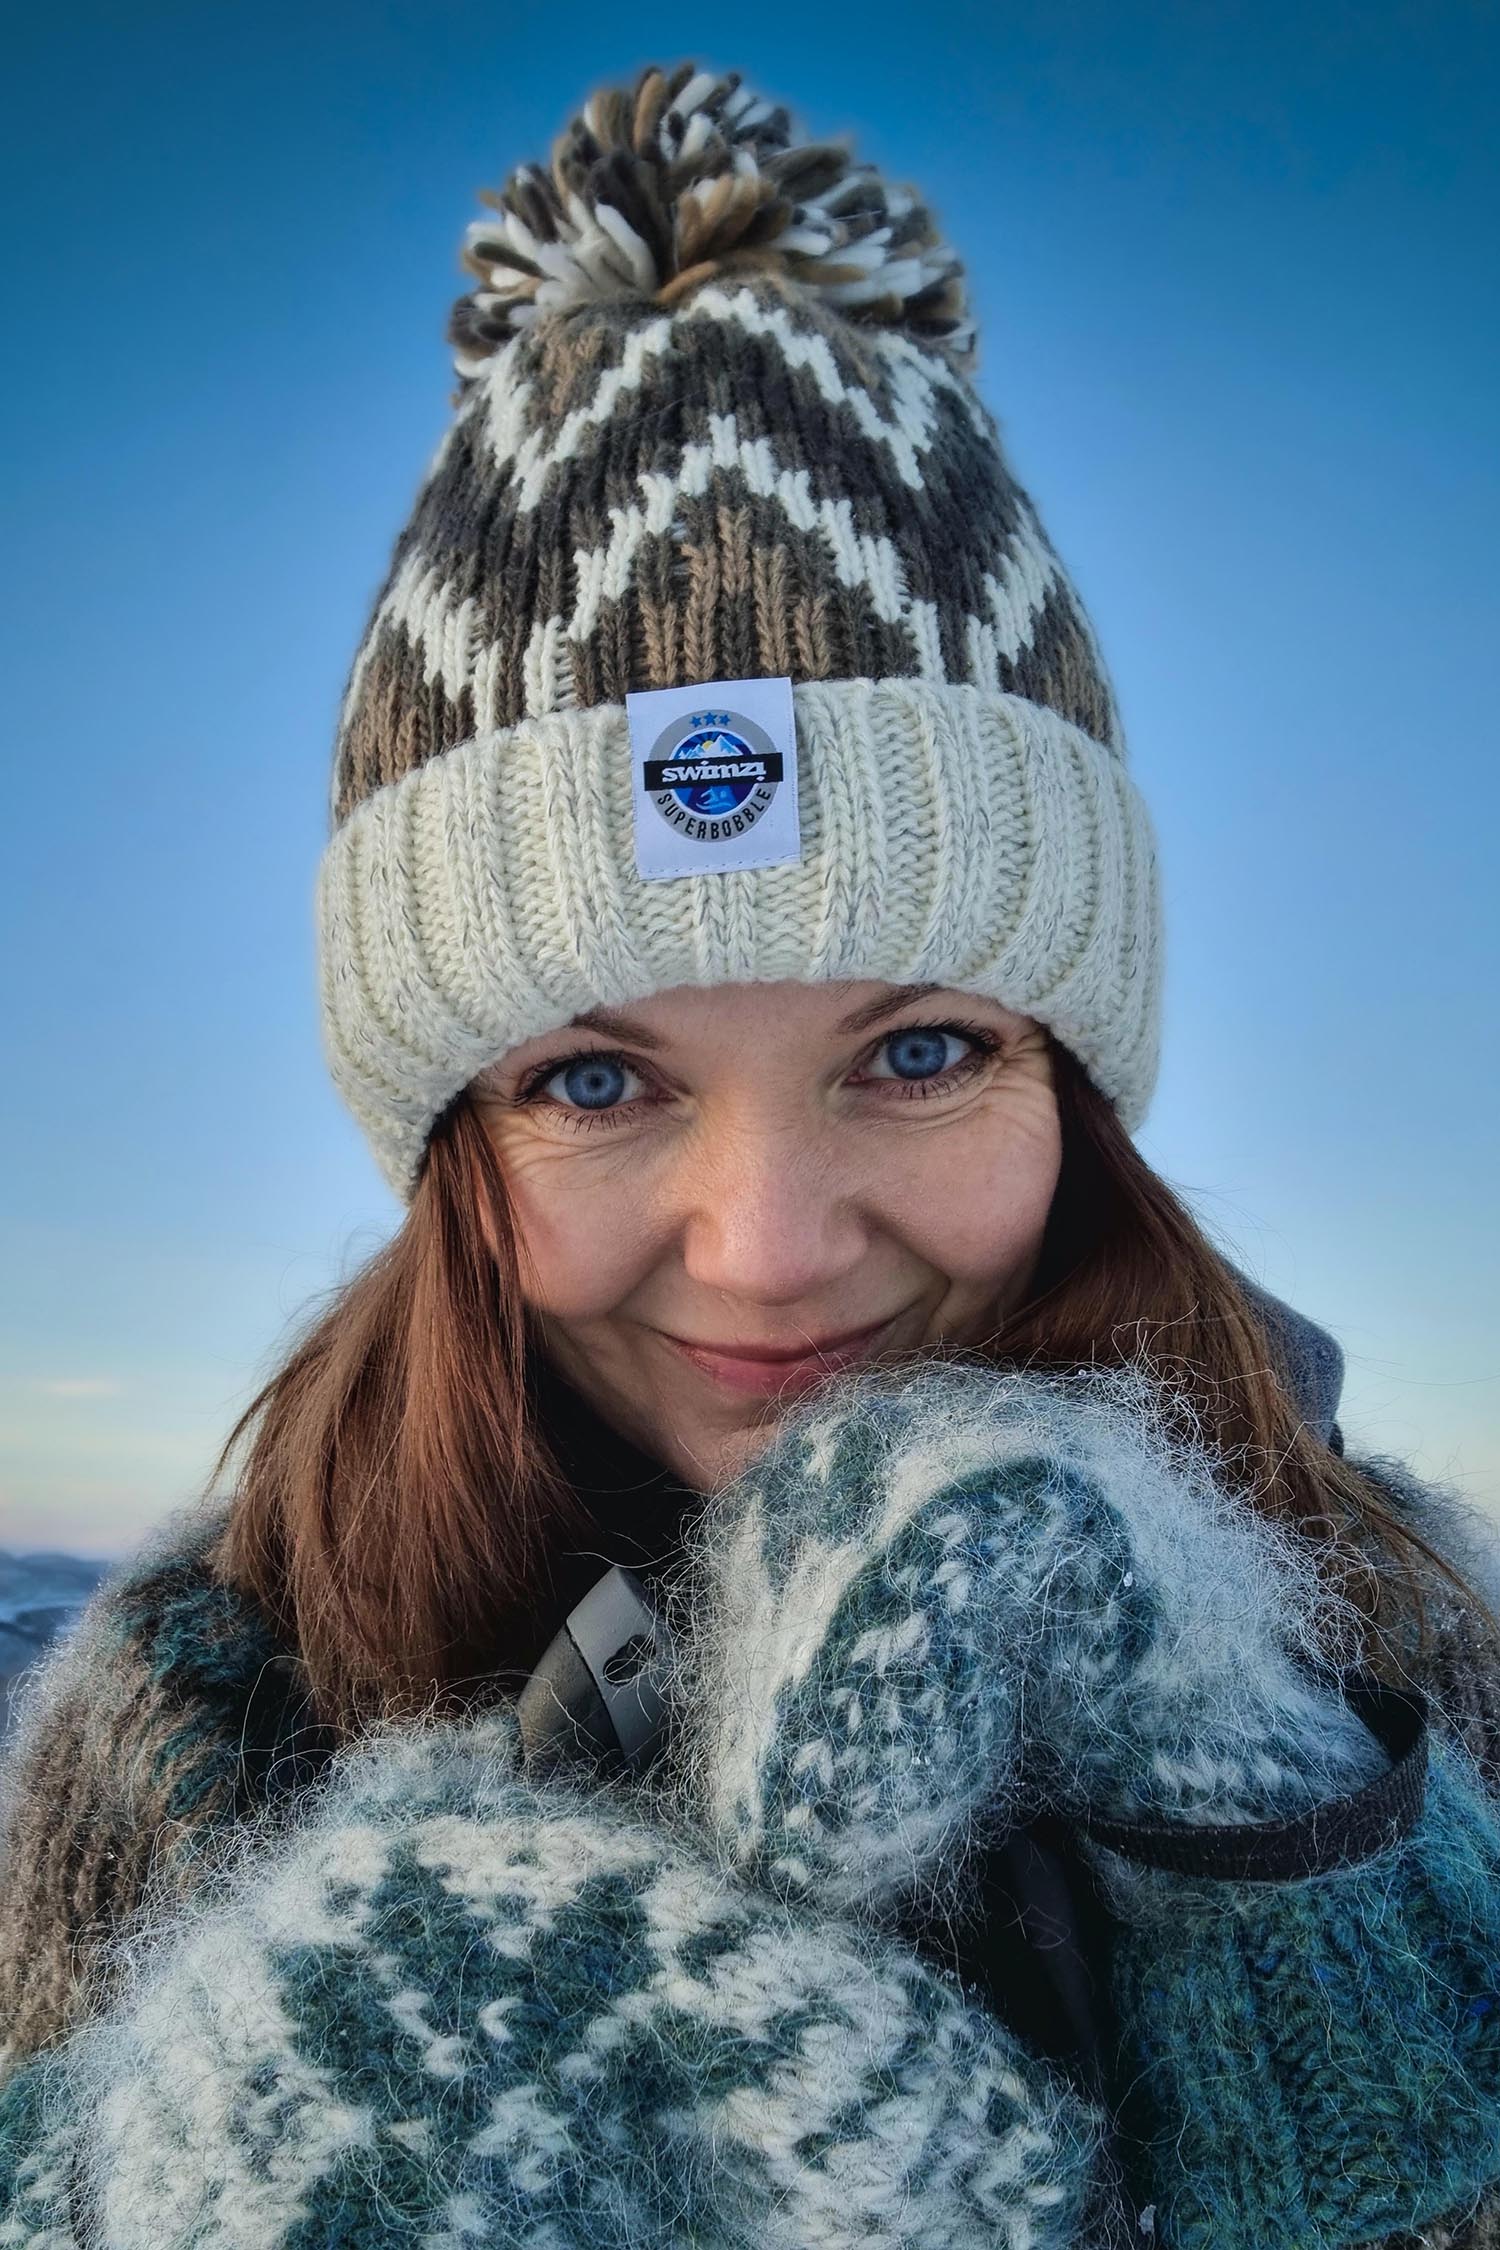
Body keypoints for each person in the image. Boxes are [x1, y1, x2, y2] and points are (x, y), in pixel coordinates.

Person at [2, 55, 1499, 2249]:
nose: (773, 1247)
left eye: (918, 1049)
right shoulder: (185, 1729)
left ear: (1073, 1091)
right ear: (451, 1143)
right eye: (597, 1083)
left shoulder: (1404, 1644)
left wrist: (1306, 1886)